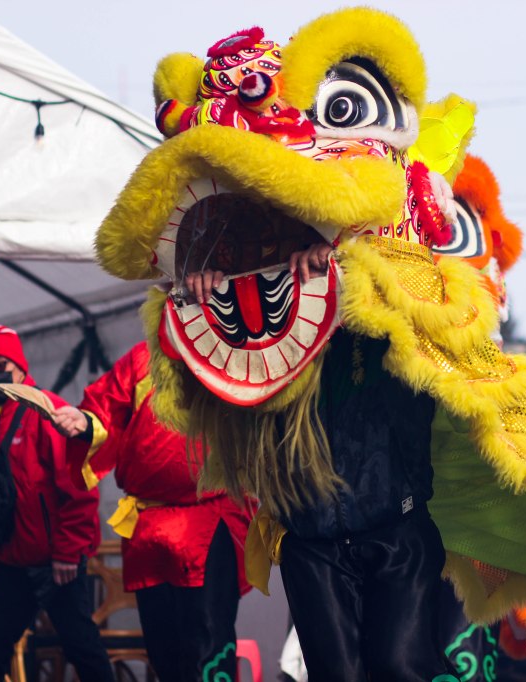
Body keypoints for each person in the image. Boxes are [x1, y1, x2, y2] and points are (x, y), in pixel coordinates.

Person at [188, 246, 456, 680]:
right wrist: (209, 297)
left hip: (397, 532)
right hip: (310, 540)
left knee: (402, 666)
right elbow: (202, 389)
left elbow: (433, 313)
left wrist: (347, 267)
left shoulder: (387, 286)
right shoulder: (258, 319)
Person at [51, 341, 255, 681]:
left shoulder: (230, 340)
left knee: (207, 645)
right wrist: (84, 423)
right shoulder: (142, 356)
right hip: (149, 528)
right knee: (163, 652)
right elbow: (106, 408)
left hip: (208, 519)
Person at [0, 325, 114, 682]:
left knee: (82, 647)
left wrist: (68, 551)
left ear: (19, 365)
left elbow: (79, 483)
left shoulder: (49, 410)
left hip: (56, 561)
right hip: (11, 562)